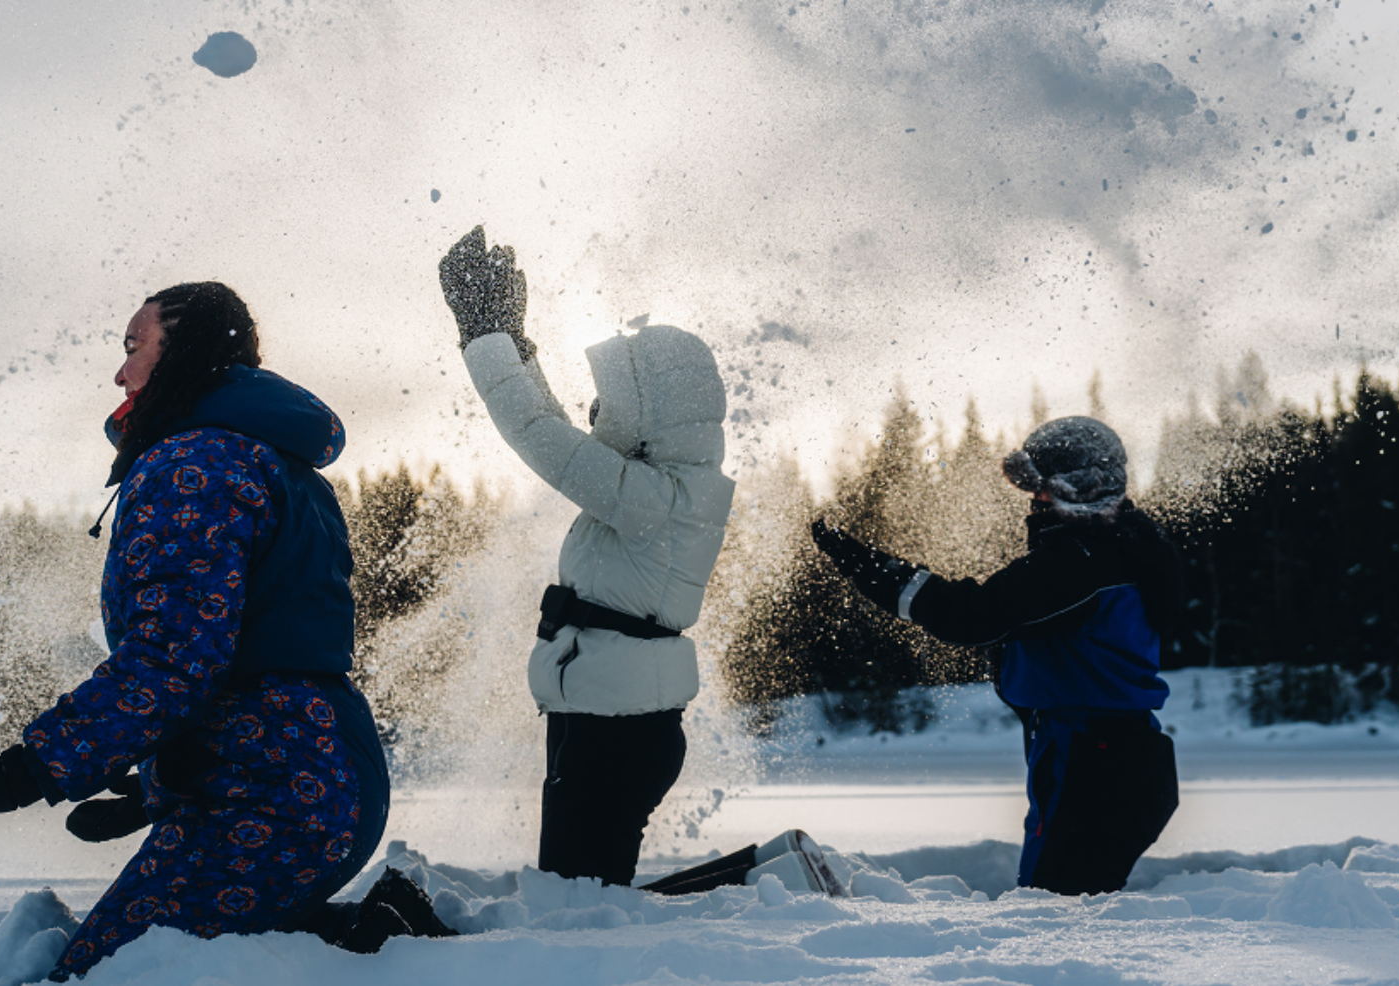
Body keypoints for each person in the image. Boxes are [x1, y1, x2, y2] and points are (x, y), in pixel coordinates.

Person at [0, 282, 448, 978]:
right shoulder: (263, 458)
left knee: (117, 974)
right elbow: (247, 650)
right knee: (209, 956)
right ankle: (380, 937)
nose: (120, 373)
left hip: (276, 788)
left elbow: (174, 661)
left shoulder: (195, 465)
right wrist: (162, 775)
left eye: (133, 347)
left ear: (186, 352)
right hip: (307, 767)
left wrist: (23, 772)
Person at [438, 228, 736, 887]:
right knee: (579, 894)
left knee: (579, 907)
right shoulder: (660, 487)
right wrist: (513, 343)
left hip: (618, 732)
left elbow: (540, 436)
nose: (595, 410)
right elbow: (554, 425)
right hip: (607, 718)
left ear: (656, 416)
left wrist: (483, 338)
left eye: (615, 402)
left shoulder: (656, 498)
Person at [811, 416, 1182, 896]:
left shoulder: (1079, 565)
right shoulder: (1130, 546)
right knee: (1067, 913)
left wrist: (861, 563)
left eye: (1041, 491)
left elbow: (968, 616)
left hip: (1092, 762)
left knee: (1051, 916)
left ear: (1077, 488)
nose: (1033, 504)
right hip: (1117, 754)